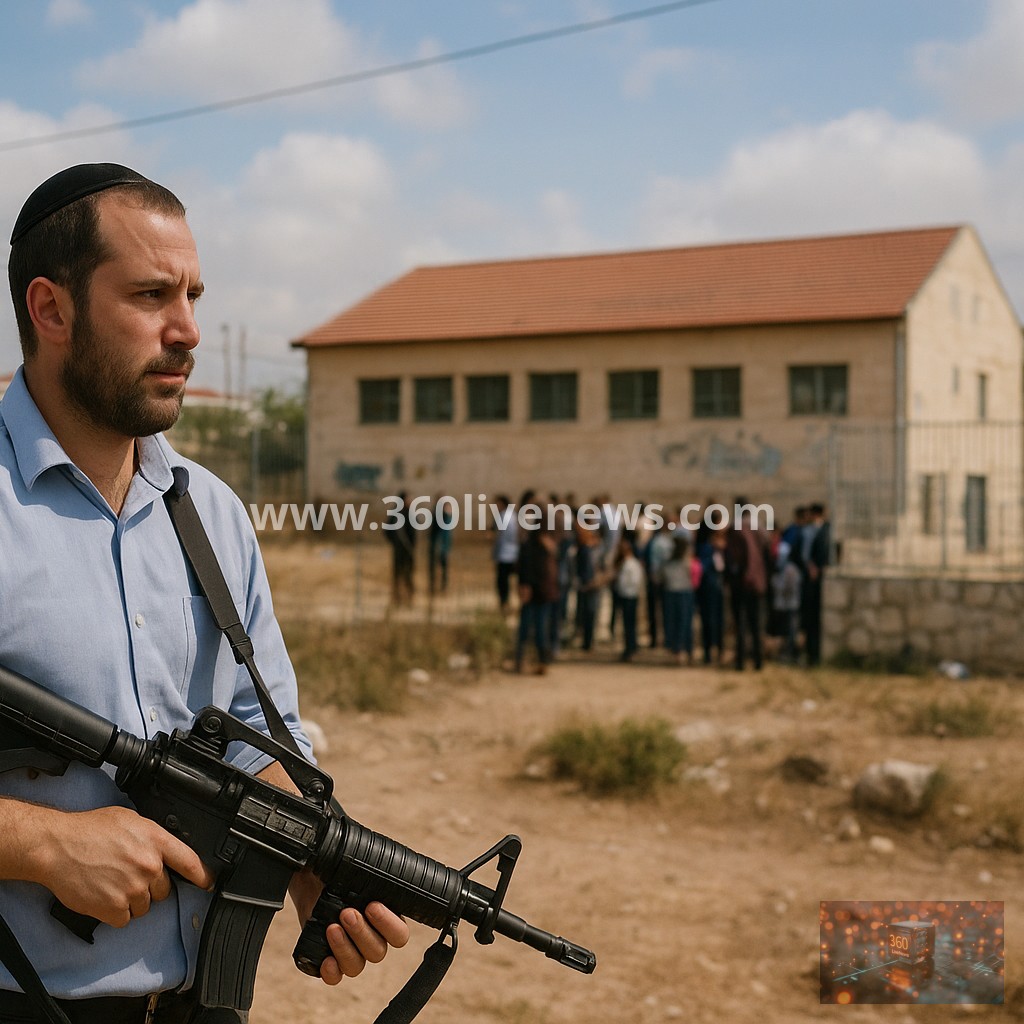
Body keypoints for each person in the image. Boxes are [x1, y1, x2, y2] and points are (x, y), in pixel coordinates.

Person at [0, 164, 409, 1022]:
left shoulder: (210, 511)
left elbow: (261, 735)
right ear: (52, 310)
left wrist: (308, 861)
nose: (187, 329)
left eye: (192, 294)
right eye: (151, 295)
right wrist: (42, 844)